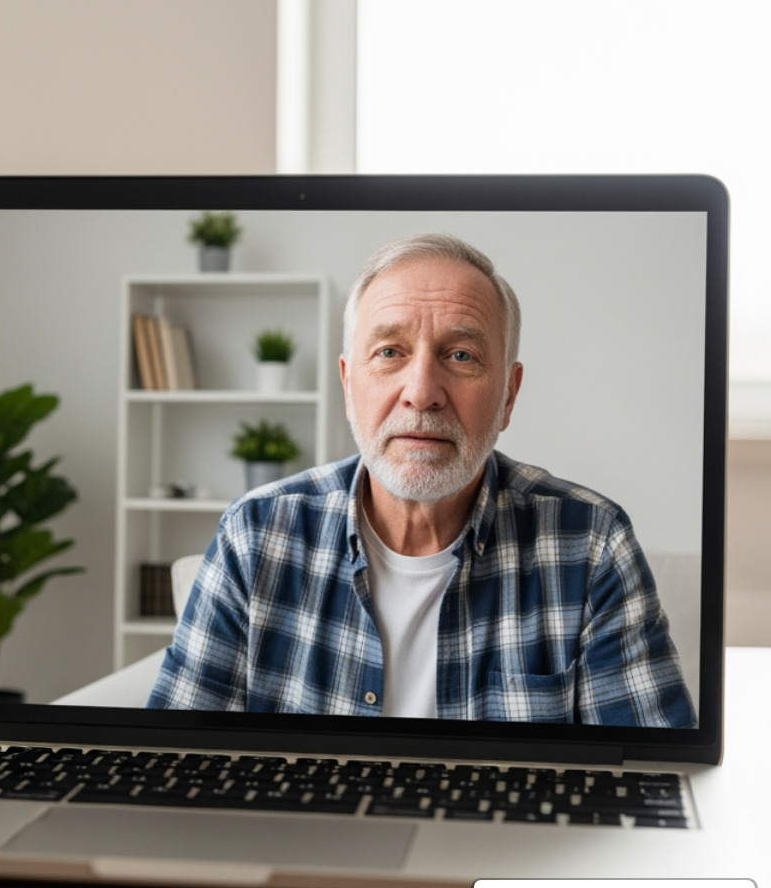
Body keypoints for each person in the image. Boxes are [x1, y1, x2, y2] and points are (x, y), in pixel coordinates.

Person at [148, 233, 694, 726]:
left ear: (508, 395)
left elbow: (651, 770)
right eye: (389, 352)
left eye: (461, 355)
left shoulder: (592, 544)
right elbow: (173, 755)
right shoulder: (255, 533)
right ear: (348, 385)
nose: (422, 392)